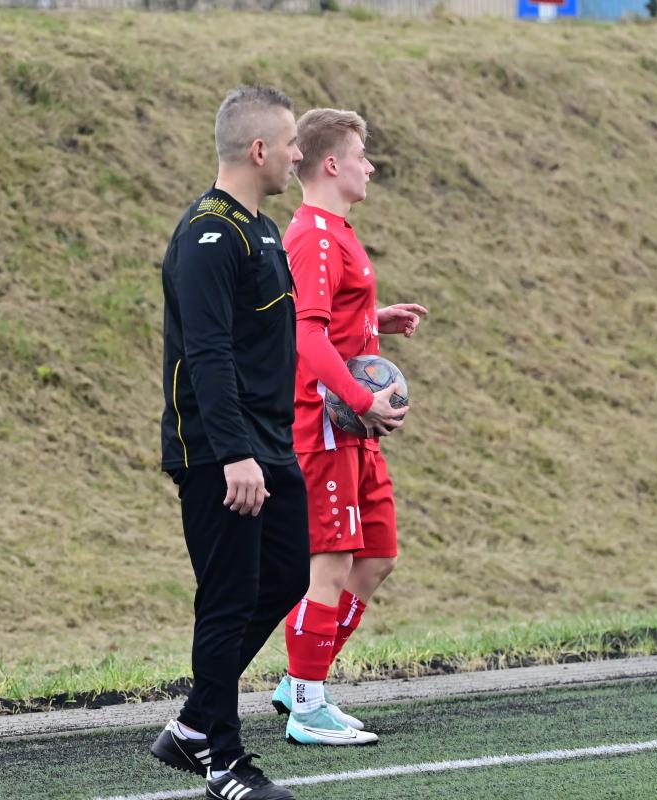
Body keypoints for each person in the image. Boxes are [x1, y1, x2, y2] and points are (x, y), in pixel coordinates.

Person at [150, 86, 306, 800]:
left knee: (288, 574)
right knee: (228, 598)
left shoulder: (262, 230)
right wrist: (235, 453)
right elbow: (208, 353)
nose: (299, 155)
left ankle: (193, 724)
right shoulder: (208, 234)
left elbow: (274, 341)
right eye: (292, 143)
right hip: (222, 452)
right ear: (259, 149)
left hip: (271, 444)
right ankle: (225, 764)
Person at [272, 108, 427, 746]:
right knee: (330, 567)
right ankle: (308, 706)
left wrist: (372, 320)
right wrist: (362, 400)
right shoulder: (312, 235)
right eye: (361, 155)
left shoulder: (335, 230)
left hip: (353, 429)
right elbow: (305, 336)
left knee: (378, 556)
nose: (370, 166)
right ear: (332, 164)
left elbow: (329, 319)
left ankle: (300, 683)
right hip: (327, 426)